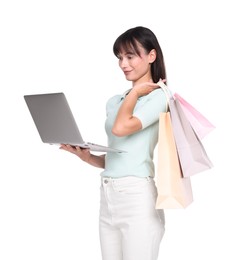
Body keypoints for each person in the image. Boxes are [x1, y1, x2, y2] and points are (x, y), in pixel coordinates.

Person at [60, 26, 167, 260]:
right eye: (120, 57)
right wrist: (87, 156)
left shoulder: (160, 97)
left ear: (151, 56)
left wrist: (136, 93)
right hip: (108, 196)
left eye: (130, 56)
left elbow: (121, 128)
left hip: (137, 197)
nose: (123, 64)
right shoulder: (114, 101)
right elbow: (123, 155)